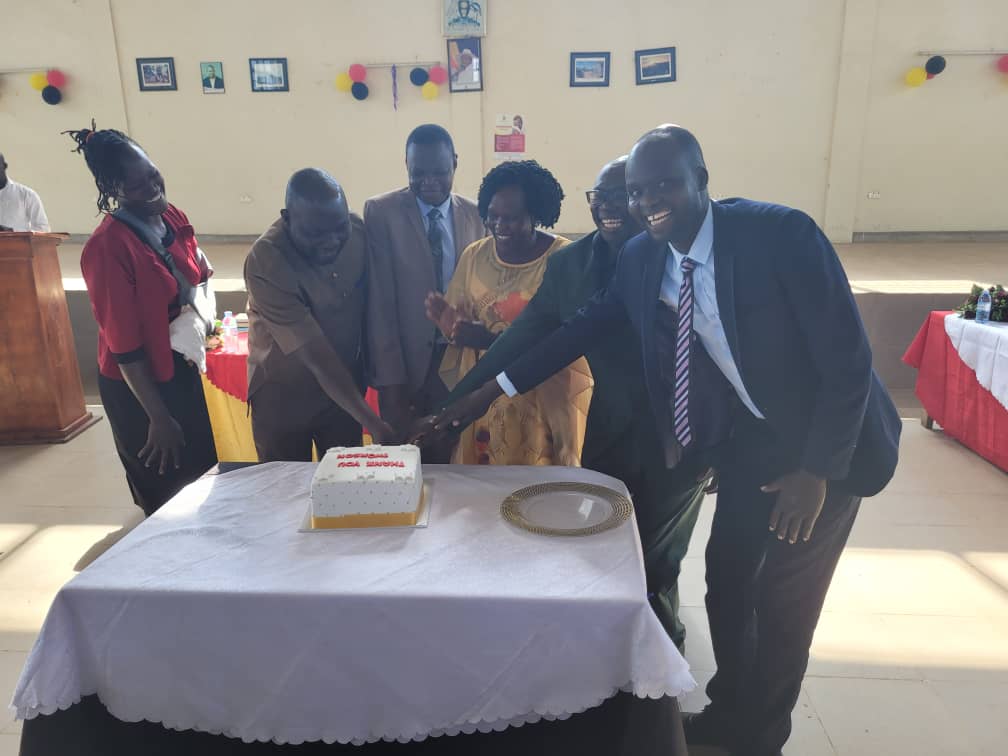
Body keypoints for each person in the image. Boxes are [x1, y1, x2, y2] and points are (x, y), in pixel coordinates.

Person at [429, 125, 901, 756]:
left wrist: (816, 471)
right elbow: (576, 329)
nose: (648, 200)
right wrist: (482, 396)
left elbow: (848, 361)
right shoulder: (643, 255)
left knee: (781, 601)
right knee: (728, 582)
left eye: (665, 185)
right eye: (637, 190)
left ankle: (762, 736)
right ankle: (732, 710)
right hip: (751, 440)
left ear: (701, 180)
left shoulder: (781, 236)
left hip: (828, 449)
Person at [425, 156, 711, 648]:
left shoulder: (676, 256)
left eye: (623, 195)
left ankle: (662, 676)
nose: (610, 207)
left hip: (677, 440)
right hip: (605, 428)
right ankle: (603, 655)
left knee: (657, 562)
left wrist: (720, 444)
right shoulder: (573, 263)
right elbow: (534, 339)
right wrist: (460, 403)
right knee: (603, 543)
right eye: (599, 198)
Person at [64, 123, 217, 516]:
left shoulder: (170, 215)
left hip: (180, 367)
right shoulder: (108, 247)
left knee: (202, 474)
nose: (153, 188)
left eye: (152, 174)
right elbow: (125, 348)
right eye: (137, 185)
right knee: (168, 489)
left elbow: (196, 273)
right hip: (140, 388)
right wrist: (159, 418)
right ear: (113, 189)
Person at [425, 159, 591, 466]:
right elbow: (461, 325)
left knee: (537, 493)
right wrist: (454, 330)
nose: (499, 226)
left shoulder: (564, 259)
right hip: (483, 404)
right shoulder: (474, 255)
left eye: (511, 218)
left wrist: (486, 338)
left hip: (543, 401)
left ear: (536, 215)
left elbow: (566, 342)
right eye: (493, 216)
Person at [244, 169, 395, 462]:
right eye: (315, 233)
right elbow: (316, 356)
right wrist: (374, 423)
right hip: (282, 400)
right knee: (286, 492)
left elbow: (378, 312)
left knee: (345, 491)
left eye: (339, 227)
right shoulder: (266, 260)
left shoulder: (358, 233)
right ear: (287, 219)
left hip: (344, 400)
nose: (332, 240)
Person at [364, 124, 484, 461]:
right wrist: (390, 380)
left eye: (440, 172)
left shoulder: (477, 214)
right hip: (405, 366)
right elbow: (381, 304)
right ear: (406, 164)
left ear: (455, 164)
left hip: (459, 361)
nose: (429, 181)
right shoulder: (381, 213)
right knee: (400, 462)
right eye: (419, 173)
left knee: (453, 456)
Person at [0, 153, 51, 232]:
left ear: (5, 166)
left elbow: (43, 229)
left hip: (16, 244)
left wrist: (12, 231)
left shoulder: (27, 195)